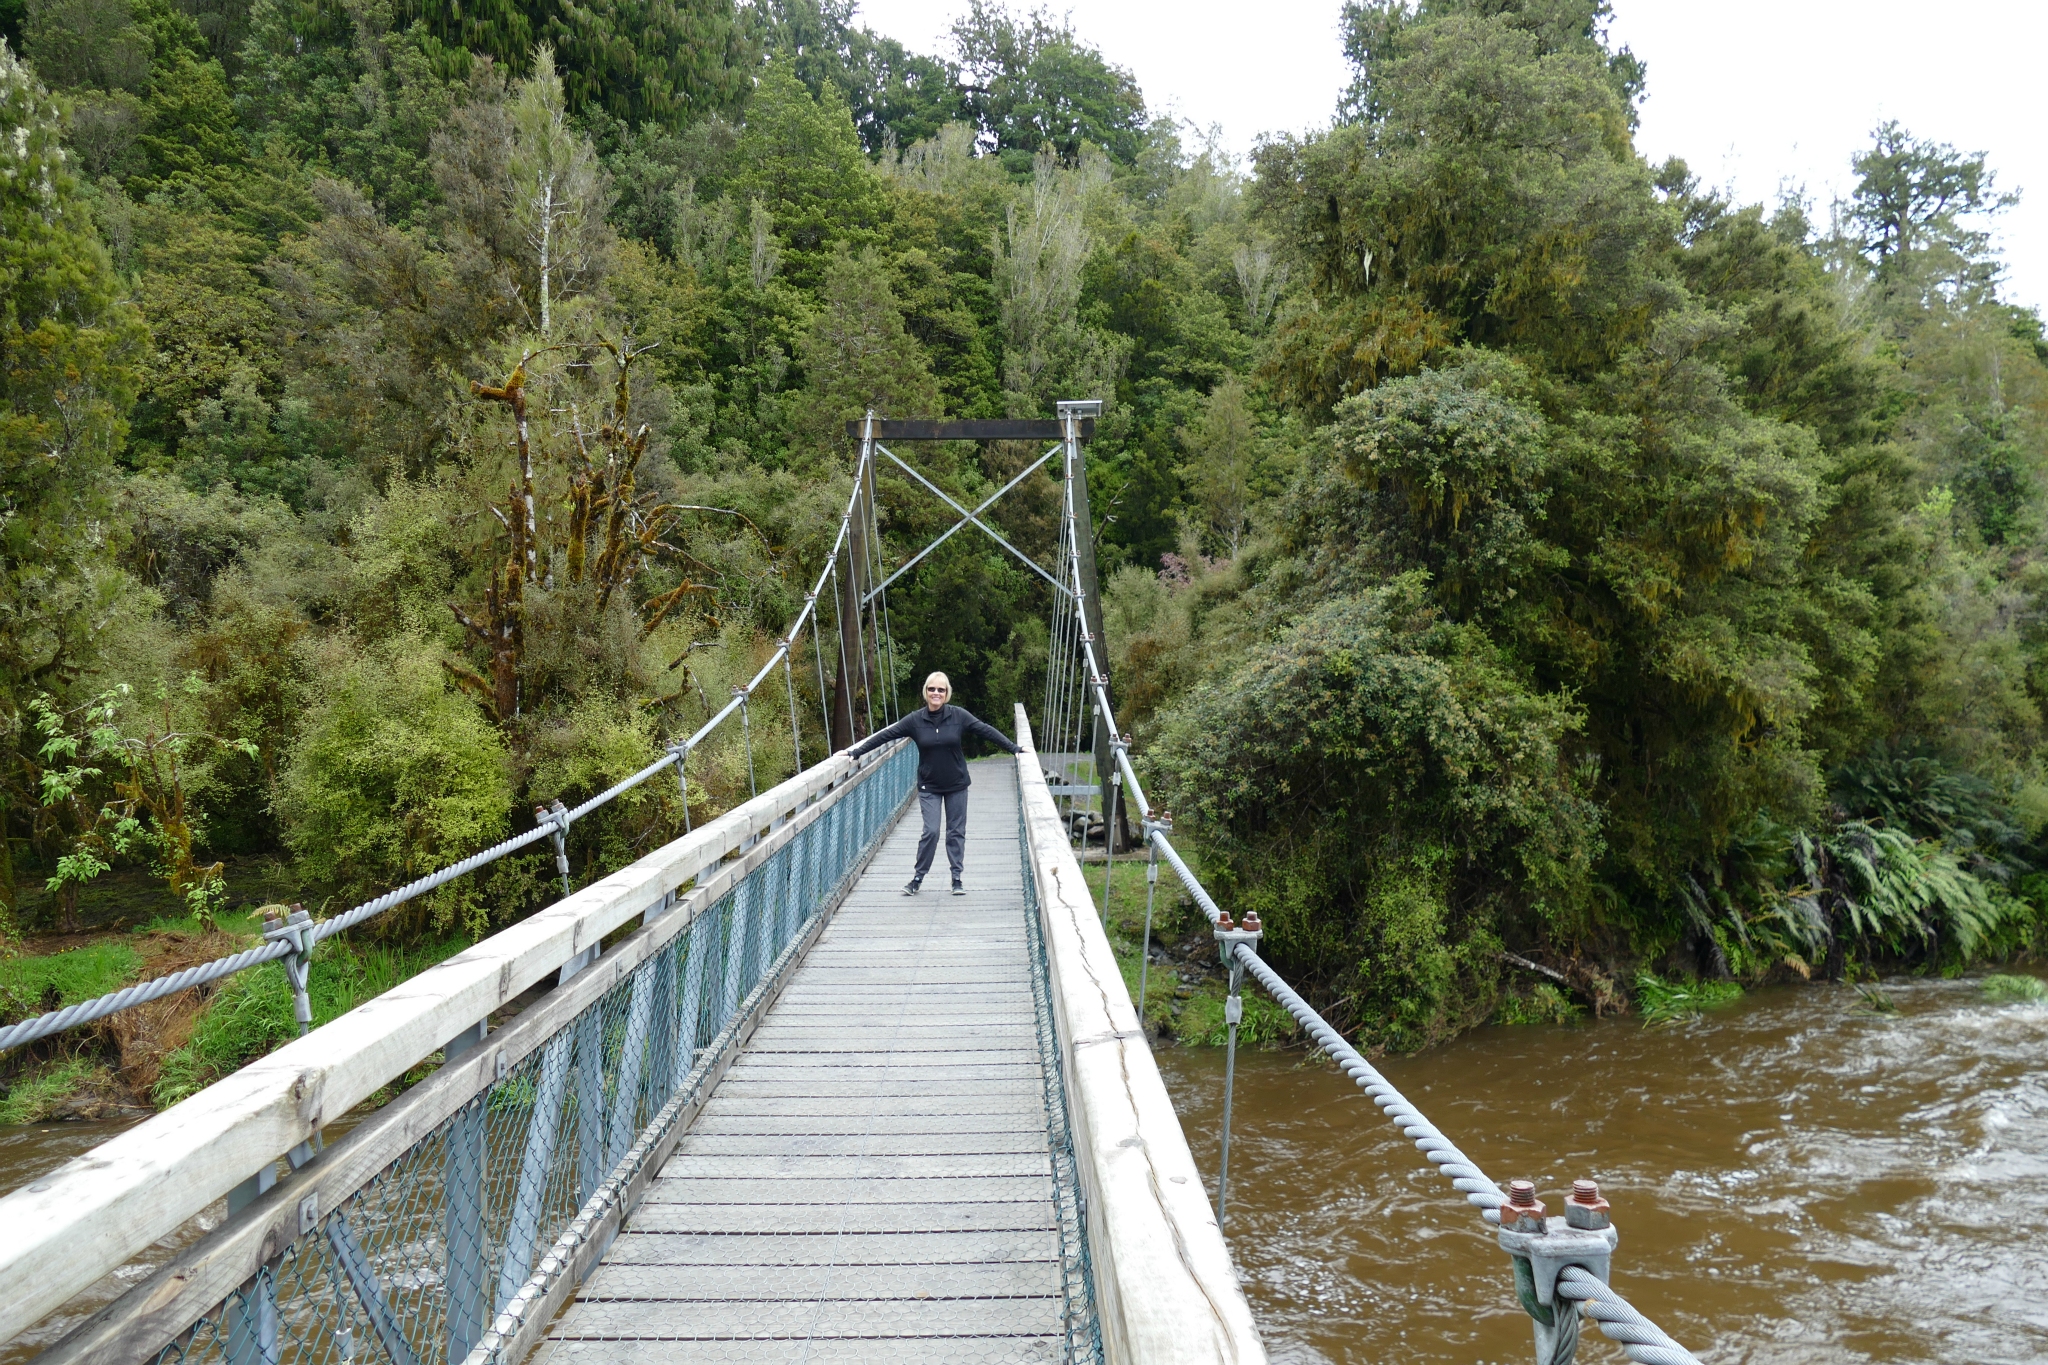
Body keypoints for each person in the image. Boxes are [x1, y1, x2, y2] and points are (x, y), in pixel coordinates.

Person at [841, 672, 1021, 895]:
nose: (936, 693)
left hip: (956, 783)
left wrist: (1014, 749)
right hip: (929, 786)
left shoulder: (958, 716)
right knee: (932, 831)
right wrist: (856, 752)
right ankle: (918, 877)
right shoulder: (915, 720)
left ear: (947, 694)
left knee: (956, 831)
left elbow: (985, 730)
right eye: (932, 689)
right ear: (925, 692)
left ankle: (956, 878)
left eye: (941, 690)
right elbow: (886, 736)